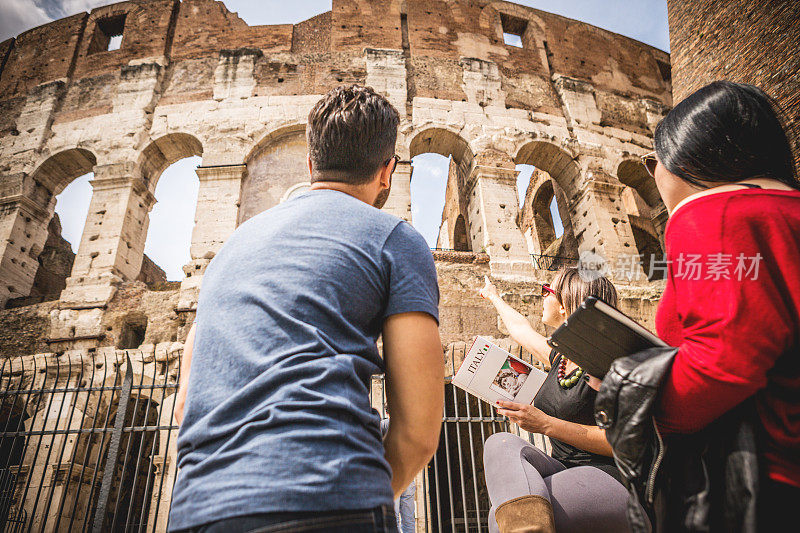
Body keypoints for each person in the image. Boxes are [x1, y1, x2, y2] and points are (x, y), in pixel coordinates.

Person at [169, 85, 444, 533]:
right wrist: (368, 498)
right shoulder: (395, 238)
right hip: (328, 493)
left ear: (311, 164)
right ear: (388, 170)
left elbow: (185, 404)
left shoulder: (230, 249)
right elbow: (417, 429)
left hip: (198, 508)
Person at [644, 80, 800, 528]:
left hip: (760, 480)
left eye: (653, 160)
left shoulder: (709, 214)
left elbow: (720, 365)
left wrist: (635, 405)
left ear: (685, 157)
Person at [480, 268, 631, 533]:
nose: (542, 297)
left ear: (564, 305)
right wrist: (494, 297)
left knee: (501, 518)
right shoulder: (561, 358)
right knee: (500, 445)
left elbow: (622, 441)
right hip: (562, 469)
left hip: (608, 477)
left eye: (546, 291)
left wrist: (545, 424)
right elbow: (520, 329)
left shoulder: (611, 361)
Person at [380, 406, 416, 533]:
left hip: (392, 477)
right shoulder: (408, 427)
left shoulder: (383, 425)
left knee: (393, 517)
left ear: (386, 412)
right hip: (408, 477)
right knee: (409, 518)